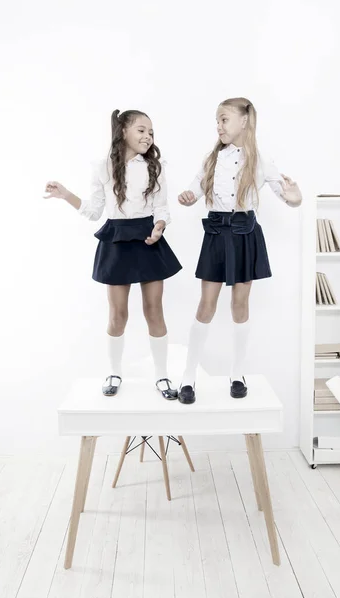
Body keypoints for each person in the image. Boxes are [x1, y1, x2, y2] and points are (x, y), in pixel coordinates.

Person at [44, 109, 182, 399]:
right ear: (124, 132)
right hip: (117, 240)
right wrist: (66, 194)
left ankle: (162, 376)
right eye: (142, 130)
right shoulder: (103, 167)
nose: (148, 136)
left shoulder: (155, 167)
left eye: (151, 132)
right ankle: (114, 372)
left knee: (154, 310)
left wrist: (160, 225)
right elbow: (94, 211)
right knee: (118, 314)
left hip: (147, 239)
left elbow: (162, 207)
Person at [177, 97, 302, 404]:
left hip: (244, 232)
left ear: (243, 121)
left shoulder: (259, 159)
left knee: (240, 305)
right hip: (217, 232)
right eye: (217, 121)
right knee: (206, 305)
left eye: (224, 119)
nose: (219, 125)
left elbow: (285, 195)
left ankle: (237, 374)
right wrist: (189, 196)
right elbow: (194, 187)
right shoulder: (211, 159)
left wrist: (294, 197)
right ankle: (188, 376)